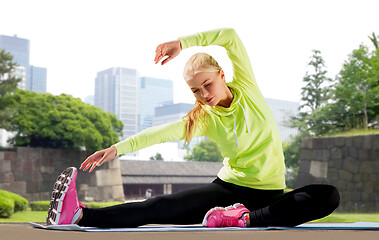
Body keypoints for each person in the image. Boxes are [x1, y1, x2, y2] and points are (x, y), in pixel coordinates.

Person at [46, 28, 340, 228]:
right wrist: (116, 149)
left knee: (327, 195)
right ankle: (79, 215)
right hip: (226, 191)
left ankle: (244, 219)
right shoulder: (205, 117)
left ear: (222, 75)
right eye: (196, 90)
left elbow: (230, 36)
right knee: (160, 207)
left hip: (270, 195)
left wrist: (182, 43)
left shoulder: (248, 89)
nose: (204, 94)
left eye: (208, 84)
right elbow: (159, 133)